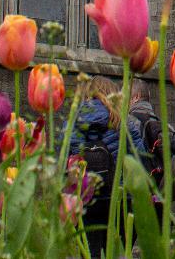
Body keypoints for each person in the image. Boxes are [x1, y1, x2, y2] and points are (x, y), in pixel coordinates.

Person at [69, 77, 133, 258]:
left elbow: (63, 160)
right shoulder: (126, 123)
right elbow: (138, 162)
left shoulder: (74, 121)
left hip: (84, 198)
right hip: (117, 199)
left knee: (87, 252)